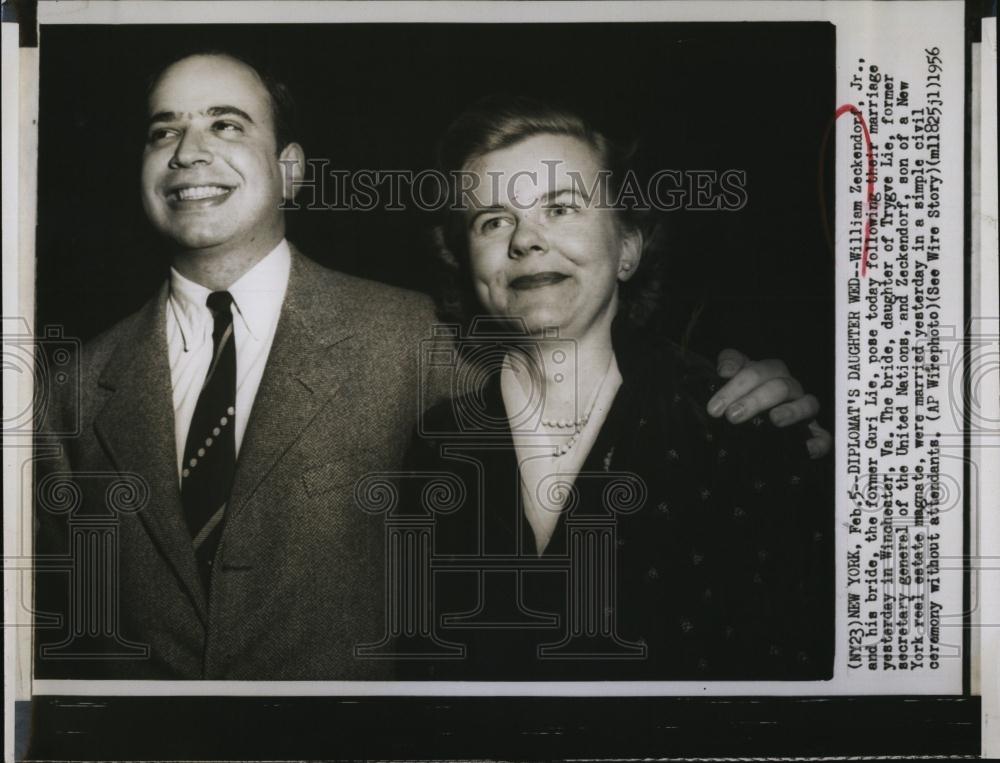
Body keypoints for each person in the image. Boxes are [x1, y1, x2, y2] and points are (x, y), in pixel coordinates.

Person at [34, 54, 826, 680]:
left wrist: (759, 394)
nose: (190, 150)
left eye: (227, 123)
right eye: (162, 129)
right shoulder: (65, 385)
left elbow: (588, 353)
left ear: (295, 169)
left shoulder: (424, 339)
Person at [398, 96, 833, 680]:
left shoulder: (734, 423)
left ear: (627, 248)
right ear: (466, 264)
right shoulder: (435, 447)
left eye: (561, 208)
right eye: (493, 220)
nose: (526, 240)